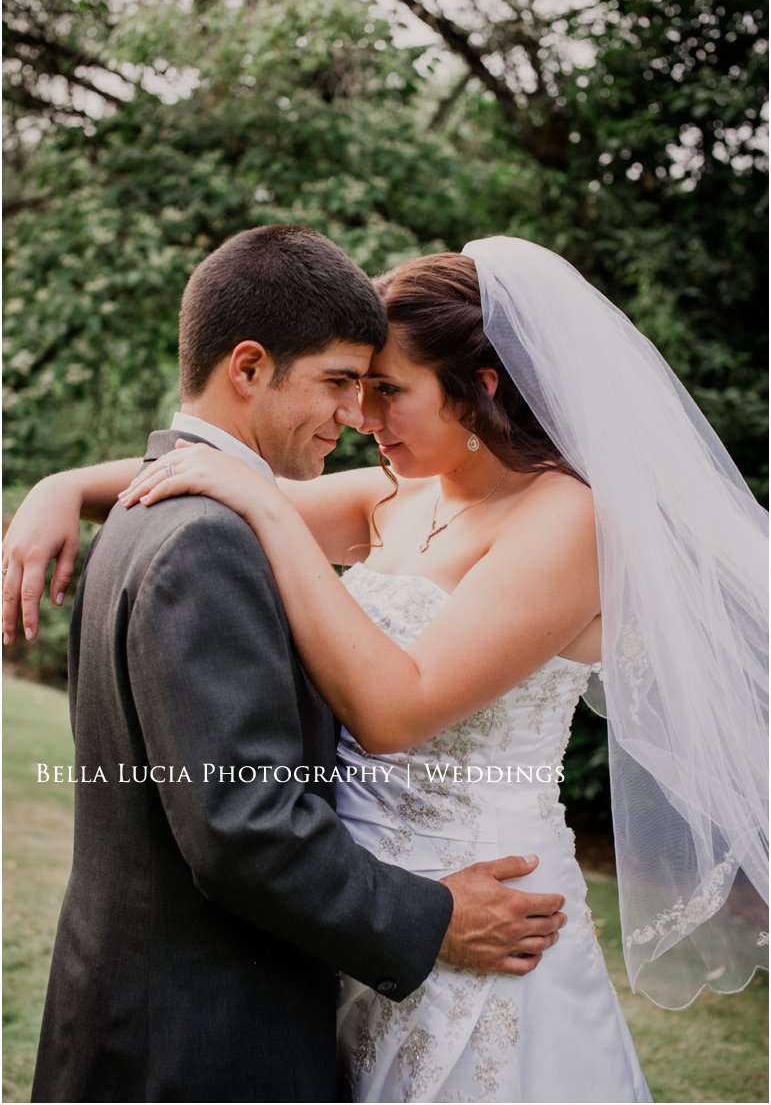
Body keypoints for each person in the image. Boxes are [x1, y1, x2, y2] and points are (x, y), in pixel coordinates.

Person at [6, 237, 767, 1101]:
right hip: (358, 919)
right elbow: (205, 472)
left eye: (388, 391)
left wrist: (266, 507)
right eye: (354, 387)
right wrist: (62, 487)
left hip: (486, 909)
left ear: (481, 384)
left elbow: (395, 709)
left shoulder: (569, 521)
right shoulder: (396, 497)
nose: (363, 416)